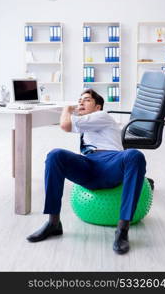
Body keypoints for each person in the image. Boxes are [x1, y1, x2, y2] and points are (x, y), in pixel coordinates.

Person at [27, 89, 146, 254]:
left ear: (98, 107)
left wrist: (67, 109)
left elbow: (65, 125)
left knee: (134, 155)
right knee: (55, 155)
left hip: (111, 164)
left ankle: (122, 229)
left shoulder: (102, 115)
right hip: (88, 165)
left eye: (87, 100)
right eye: (79, 100)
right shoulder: (86, 122)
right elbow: (68, 122)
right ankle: (53, 223)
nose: (81, 103)